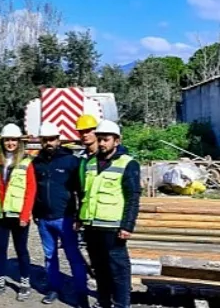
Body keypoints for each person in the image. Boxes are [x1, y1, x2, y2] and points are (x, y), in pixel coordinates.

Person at [80, 120, 140, 308]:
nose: (102, 143)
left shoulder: (128, 164)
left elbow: (133, 197)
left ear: (117, 140)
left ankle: (122, 305)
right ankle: (104, 302)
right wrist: (79, 219)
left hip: (113, 228)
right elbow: (85, 194)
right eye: (100, 139)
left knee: (119, 271)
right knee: (100, 269)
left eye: (106, 139)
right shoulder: (89, 163)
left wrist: (127, 225)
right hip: (91, 226)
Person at [32, 122, 89, 307]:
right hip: (43, 219)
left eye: (52, 139)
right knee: (49, 256)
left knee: (73, 256)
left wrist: (79, 217)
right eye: (45, 139)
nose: (49, 142)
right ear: (41, 140)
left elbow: (81, 191)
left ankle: (82, 293)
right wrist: (35, 212)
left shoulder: (71, 161)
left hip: (65, 218)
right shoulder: (36, 162)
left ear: (59, 139)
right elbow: (33, 190)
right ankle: (53, 288)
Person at [0, 124, 36, 300]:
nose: (10, 143)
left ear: (19, 142)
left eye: (13, 140)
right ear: (2, 141)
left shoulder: (26, 163)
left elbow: (30, 190)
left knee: (21, 250)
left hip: (18, 216)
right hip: (0, 215)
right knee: (1, 250)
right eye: (7, 140)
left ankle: (25, 284)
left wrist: (25, 215)